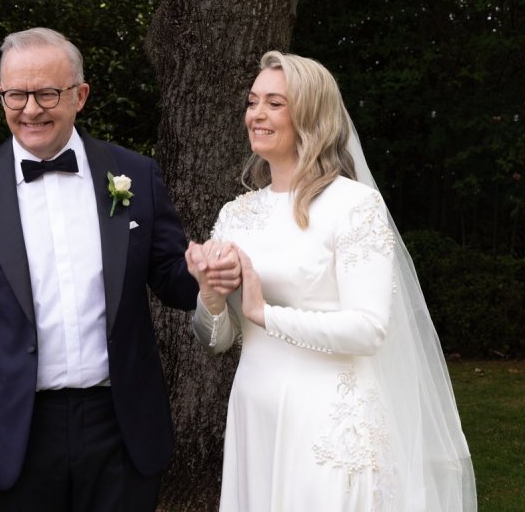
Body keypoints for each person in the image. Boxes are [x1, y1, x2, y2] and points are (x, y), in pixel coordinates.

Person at [0, 27, 227, 511]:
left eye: (47, 93)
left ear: (80, 95)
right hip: (14, 433)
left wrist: (205, 276)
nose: (30, 109)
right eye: (15, 94)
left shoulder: (135, 173)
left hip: (122, 427)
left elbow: (171, 279)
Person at [186, 51, 477, 511]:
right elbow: (217, 341)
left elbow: (368, 330)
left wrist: (265, 313)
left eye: (275, 103)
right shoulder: (235, 215)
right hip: (255, 412)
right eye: (253, 101)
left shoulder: (353, 206)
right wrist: (211, 297)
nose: (257, 114)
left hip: (327, 418)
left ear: (311, 116)